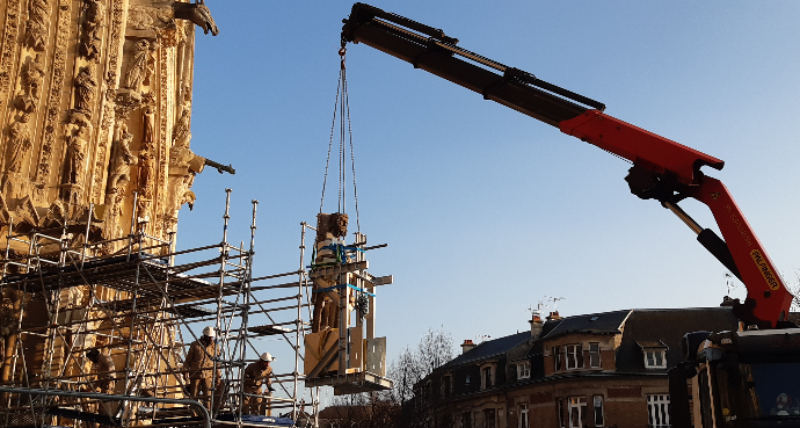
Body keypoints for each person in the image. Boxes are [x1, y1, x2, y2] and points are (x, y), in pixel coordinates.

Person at [184, 326, 220, 409]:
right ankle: (195, 416)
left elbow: (216, 362)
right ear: (204, 336)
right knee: (194, 397)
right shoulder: (195, 345)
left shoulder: (215, 346)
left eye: (212, 337)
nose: (211, 339)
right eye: (209, 337)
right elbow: (188, 361)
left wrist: (218, 375)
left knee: (208, 396)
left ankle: (206, 416)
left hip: (208, 375)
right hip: (196, 374)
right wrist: (185, 372)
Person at [85, 349, 117, 427]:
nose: (91, 361)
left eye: (91, 359)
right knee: (103, 404)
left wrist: (109, 376)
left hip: (108, 382)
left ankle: (106, 423)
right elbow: (100, 380)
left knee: (105, 403)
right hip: (105, 382)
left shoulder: (103, 356)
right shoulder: (100, 361)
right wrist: (91, 388)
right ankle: (104, 423)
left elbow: (110, 365)